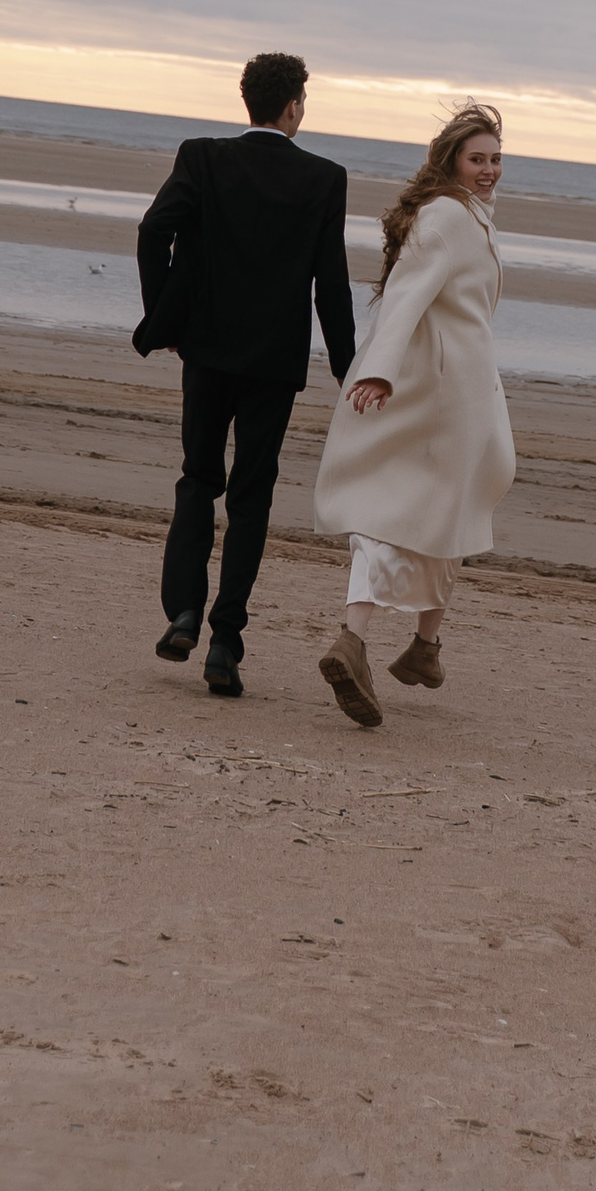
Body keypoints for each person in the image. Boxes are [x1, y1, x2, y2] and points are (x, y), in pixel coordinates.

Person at [134, 51, 356, 698]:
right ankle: (225, 641)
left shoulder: (202, 158)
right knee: (250, 498)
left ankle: (184, 612)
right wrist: (349, 369)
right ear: (292, 107)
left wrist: (166, 319)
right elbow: (331, 284)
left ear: (248, 101)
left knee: (198, 479)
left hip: (205, 350)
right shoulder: (324, 178)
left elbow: (153, 232)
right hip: (273, 364)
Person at [311, 103, 514, 727]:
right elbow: (404, 296)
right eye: (476, 159)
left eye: (495, 159)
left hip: (465, 387)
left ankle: (424, 646)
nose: (489, 170)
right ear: (450, 161)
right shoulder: (447, 216)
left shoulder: (471, 214)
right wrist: (379, 369)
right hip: (442, 390)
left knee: (447, 506)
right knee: (400, 507)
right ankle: (356, 639)